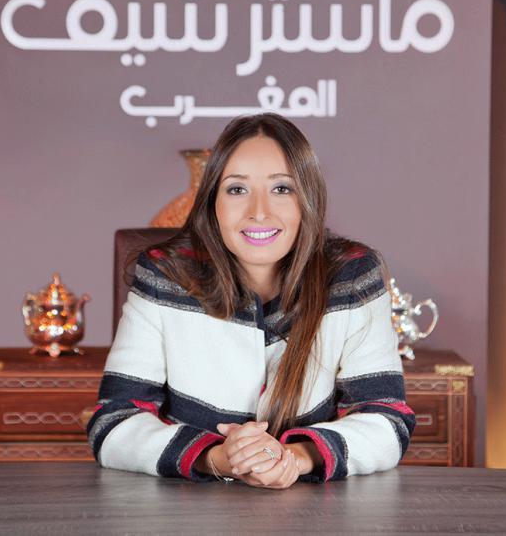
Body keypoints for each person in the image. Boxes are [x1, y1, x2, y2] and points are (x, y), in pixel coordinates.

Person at [84, 113, 414, 488]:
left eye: (282, 189)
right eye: (237, 189)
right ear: (212, 201)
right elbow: (114, 422)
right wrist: (220, 458)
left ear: (307, 200)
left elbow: (386, 418)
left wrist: (293, 459)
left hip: (315, 510)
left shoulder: (351, 275)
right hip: (185, 508)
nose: (259, 211)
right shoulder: (165, 274)